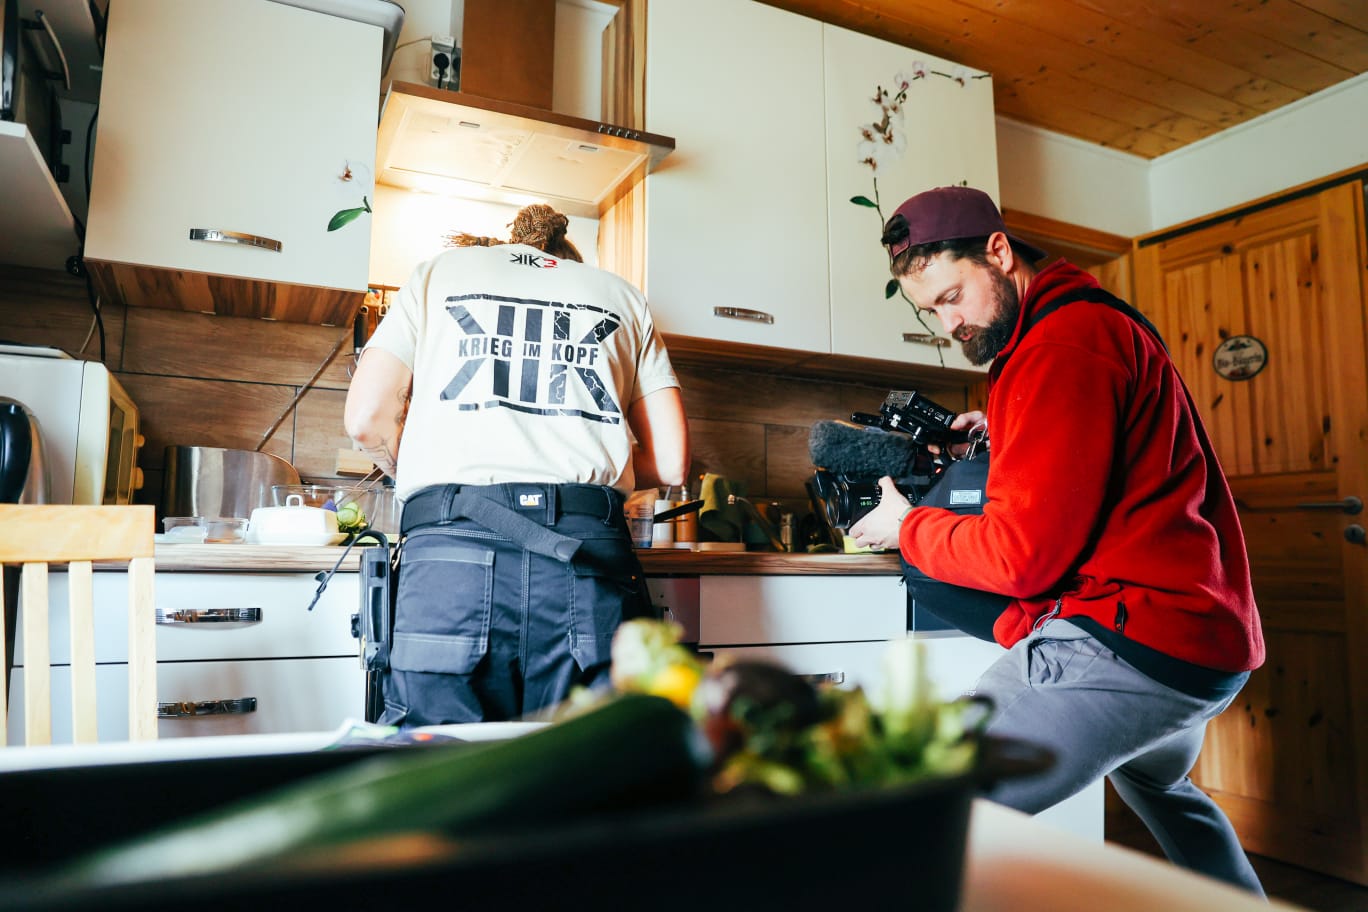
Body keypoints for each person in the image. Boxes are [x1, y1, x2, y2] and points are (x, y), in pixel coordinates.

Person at [847, 186, 1266, 895]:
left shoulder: (1059, 346)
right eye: (931, 311)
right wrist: (1009, 426)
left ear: (999, 252)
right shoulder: (1095, 323)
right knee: (1168, 792)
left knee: (919, 808)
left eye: (952, 297)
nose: (949, 323)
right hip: (1202, 643)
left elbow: (1019, 559)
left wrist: (907, 526)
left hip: (1131, 643)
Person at [344, 203, 689, 725]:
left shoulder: (438, 274)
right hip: (586, 558)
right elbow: (672, 462)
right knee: (584, 761)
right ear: (570, 261)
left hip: (451, 556)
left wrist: (421, 470)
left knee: (442, 763)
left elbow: (366, 419)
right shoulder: (622, 296)